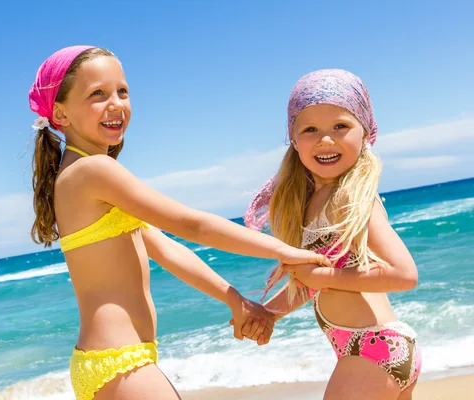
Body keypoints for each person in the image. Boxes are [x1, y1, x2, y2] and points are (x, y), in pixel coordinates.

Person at [28, 45, 329, 400]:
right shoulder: (94, 170)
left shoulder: (81, 174)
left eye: (122, 91)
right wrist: (283, 250)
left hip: (109, 362)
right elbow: (191, 225)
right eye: (98, 94)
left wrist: (235, 301)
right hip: (121, 363)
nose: (116, 104)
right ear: (60, 114)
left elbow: (168, 249)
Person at [242, 69, 421, 399]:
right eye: (310, 129)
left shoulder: (350, 196)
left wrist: (322, 274)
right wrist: (270, 313)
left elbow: (403, 274)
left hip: (371, 349)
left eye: (340, 126)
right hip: (378, 348)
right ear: (294, 141)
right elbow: (316, 283)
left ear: (365, 131)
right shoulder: (317, 200)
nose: (326, 139)